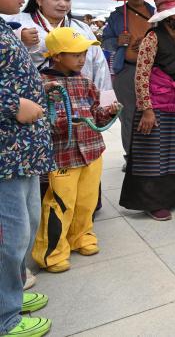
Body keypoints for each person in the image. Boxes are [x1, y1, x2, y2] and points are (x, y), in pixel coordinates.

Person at [31, 28, 121, 273]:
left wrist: (109, 111)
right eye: (75, 54)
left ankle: (81, 237)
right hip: (64, 156)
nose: (82, 59)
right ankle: (51, 253)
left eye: (84, 53)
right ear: (57, 56)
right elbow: (40, 119)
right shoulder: (41, 84)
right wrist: (65, 123)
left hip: (92, 150)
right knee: (60, 202)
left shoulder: (85, 82)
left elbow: (97, 114)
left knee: (86, 200)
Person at [0, 0, 53, 337]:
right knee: (10, 235)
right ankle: (6, 316)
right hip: (6, 156)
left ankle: (13, 292)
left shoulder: (5, 26)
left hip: (25, 153)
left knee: (27, 224)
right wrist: (13, 104)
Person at [119, 0, 175, 221]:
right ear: (167, 17)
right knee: (153, 155)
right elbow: (141, 74)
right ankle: (153, 202)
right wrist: (146, 109)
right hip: (156, 104)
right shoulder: (152, 38)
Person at [8, 0, 112, 92]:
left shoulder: (82, 28)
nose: (63, 4)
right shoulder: (17, 23)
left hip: (80, 94)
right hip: (31, 94)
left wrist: (104, 97)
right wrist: (18, 38)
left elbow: (99, 65)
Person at [102, 0, 156, 171]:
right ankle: (131, 156)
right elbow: (105, 42)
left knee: (153, 112)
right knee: (129, 116)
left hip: (154, 72)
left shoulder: (155, 13)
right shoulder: (117, 16)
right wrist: (118, 41)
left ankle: (151, 154)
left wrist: (148, 42)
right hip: (126, 70)